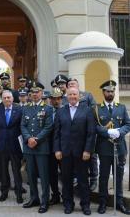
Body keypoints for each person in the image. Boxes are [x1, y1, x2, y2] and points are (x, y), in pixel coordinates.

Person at [54, 87, 96, 215]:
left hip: (82, 153)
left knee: (83, 180)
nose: (72, 96)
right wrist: (57, 149)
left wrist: (88, 150)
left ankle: (85, 204)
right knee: (66, 180)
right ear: (66, 96)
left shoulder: (87, 110)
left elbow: (91, 133)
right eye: (70, 94)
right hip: (65, 152)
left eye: (74, 94)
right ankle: (68, 204)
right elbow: (57, 133)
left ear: (79, 96)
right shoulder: (61, 111)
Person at [95, 80, 130, 215]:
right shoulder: (97, 109)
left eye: (112, 91)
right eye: (108, 91)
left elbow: (128, 124)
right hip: (104, 149)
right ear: (103, 92)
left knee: (119, 177)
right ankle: (102, 202)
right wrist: (107, 132)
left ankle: (119, 202)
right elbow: (95, 126)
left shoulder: (121, 107)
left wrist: (120, 132)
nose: (111, 93)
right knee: (103, 177)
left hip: (119, 148)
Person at [21, 81, 53, 213]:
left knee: (44, 176)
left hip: (41, 148)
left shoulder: (48, 108)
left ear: (42, 93)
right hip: (29, 147)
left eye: (37, 92)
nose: (35, 94)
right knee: (31, 175)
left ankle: (45, 201)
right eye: (33, 92)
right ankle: (34, 198)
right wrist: (29, 138)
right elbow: (22, 125)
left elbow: (48, 127)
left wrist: (37, 139)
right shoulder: (26, 108)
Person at [66, 77, 98, 191]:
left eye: (73, 83)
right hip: (73, 134)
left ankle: (94, 178)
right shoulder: (67, 98)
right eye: (69, 84)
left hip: (87, 130)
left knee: (92, 156)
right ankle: (75, 177)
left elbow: (94, 110)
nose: (71, 85)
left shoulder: (88, 95)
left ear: (78, 86)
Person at [0, 90, 23, 204]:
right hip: (2, 146)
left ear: (12, 99)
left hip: (15, 146)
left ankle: (19, 193)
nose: (7, 99)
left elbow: (22, 127)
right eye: (5, 98)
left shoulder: (19, 109)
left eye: (9, 97)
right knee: (3, 171)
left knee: (16, 171)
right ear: (2, 99)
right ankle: (4, 192)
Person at [48, 87, 63, 206]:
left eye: (58, 98)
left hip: (63, 148)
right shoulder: (47, 111)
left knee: (66, 173)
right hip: (50, 148)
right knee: (52, 174)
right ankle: (55, 195)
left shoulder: (66, 111)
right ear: (50, 99)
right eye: (54, 99)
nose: (56, 101)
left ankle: (67, 195)